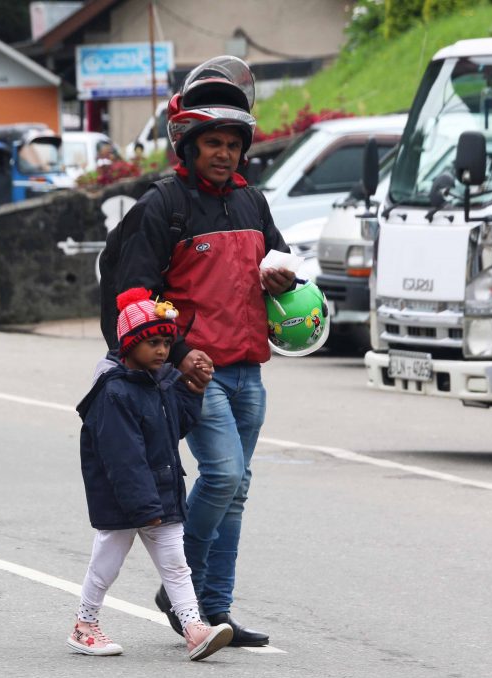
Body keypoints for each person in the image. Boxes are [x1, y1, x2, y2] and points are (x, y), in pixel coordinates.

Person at [104, 56, 295, 647]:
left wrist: (283, 279)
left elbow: (281, 262)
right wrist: (180, 352)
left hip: (249, 370)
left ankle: (214, 609)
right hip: (195, 373)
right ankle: (177, 583)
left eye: (232, 144)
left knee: (236, 490)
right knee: (223, 475)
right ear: (187, 145)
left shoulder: (252, 203)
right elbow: (134, 294)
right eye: (212, 142)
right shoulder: (165, 205)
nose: (224, 154)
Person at [71, 292, 232, 661]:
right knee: (106, 563)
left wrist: (194, 392)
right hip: (125, 497)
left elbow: (176, 427)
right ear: (129, 345)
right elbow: (122, 458)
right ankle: (84, 624)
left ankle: (194, 628)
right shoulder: (114, 392)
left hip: (158, 493)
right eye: (153, 343)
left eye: (166, 342)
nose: (162, 351)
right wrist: (143, 507)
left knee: (176, 563)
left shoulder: (160, 381)